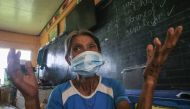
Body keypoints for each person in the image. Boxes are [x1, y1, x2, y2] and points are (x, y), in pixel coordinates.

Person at [7, 26, 183, 109]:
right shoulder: (59, 94)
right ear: (69, 59)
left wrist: (150, 81)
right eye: (77, 48)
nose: (86, 53)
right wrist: (31, 100)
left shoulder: (114, 88)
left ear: (99, 53)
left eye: (91, 47)